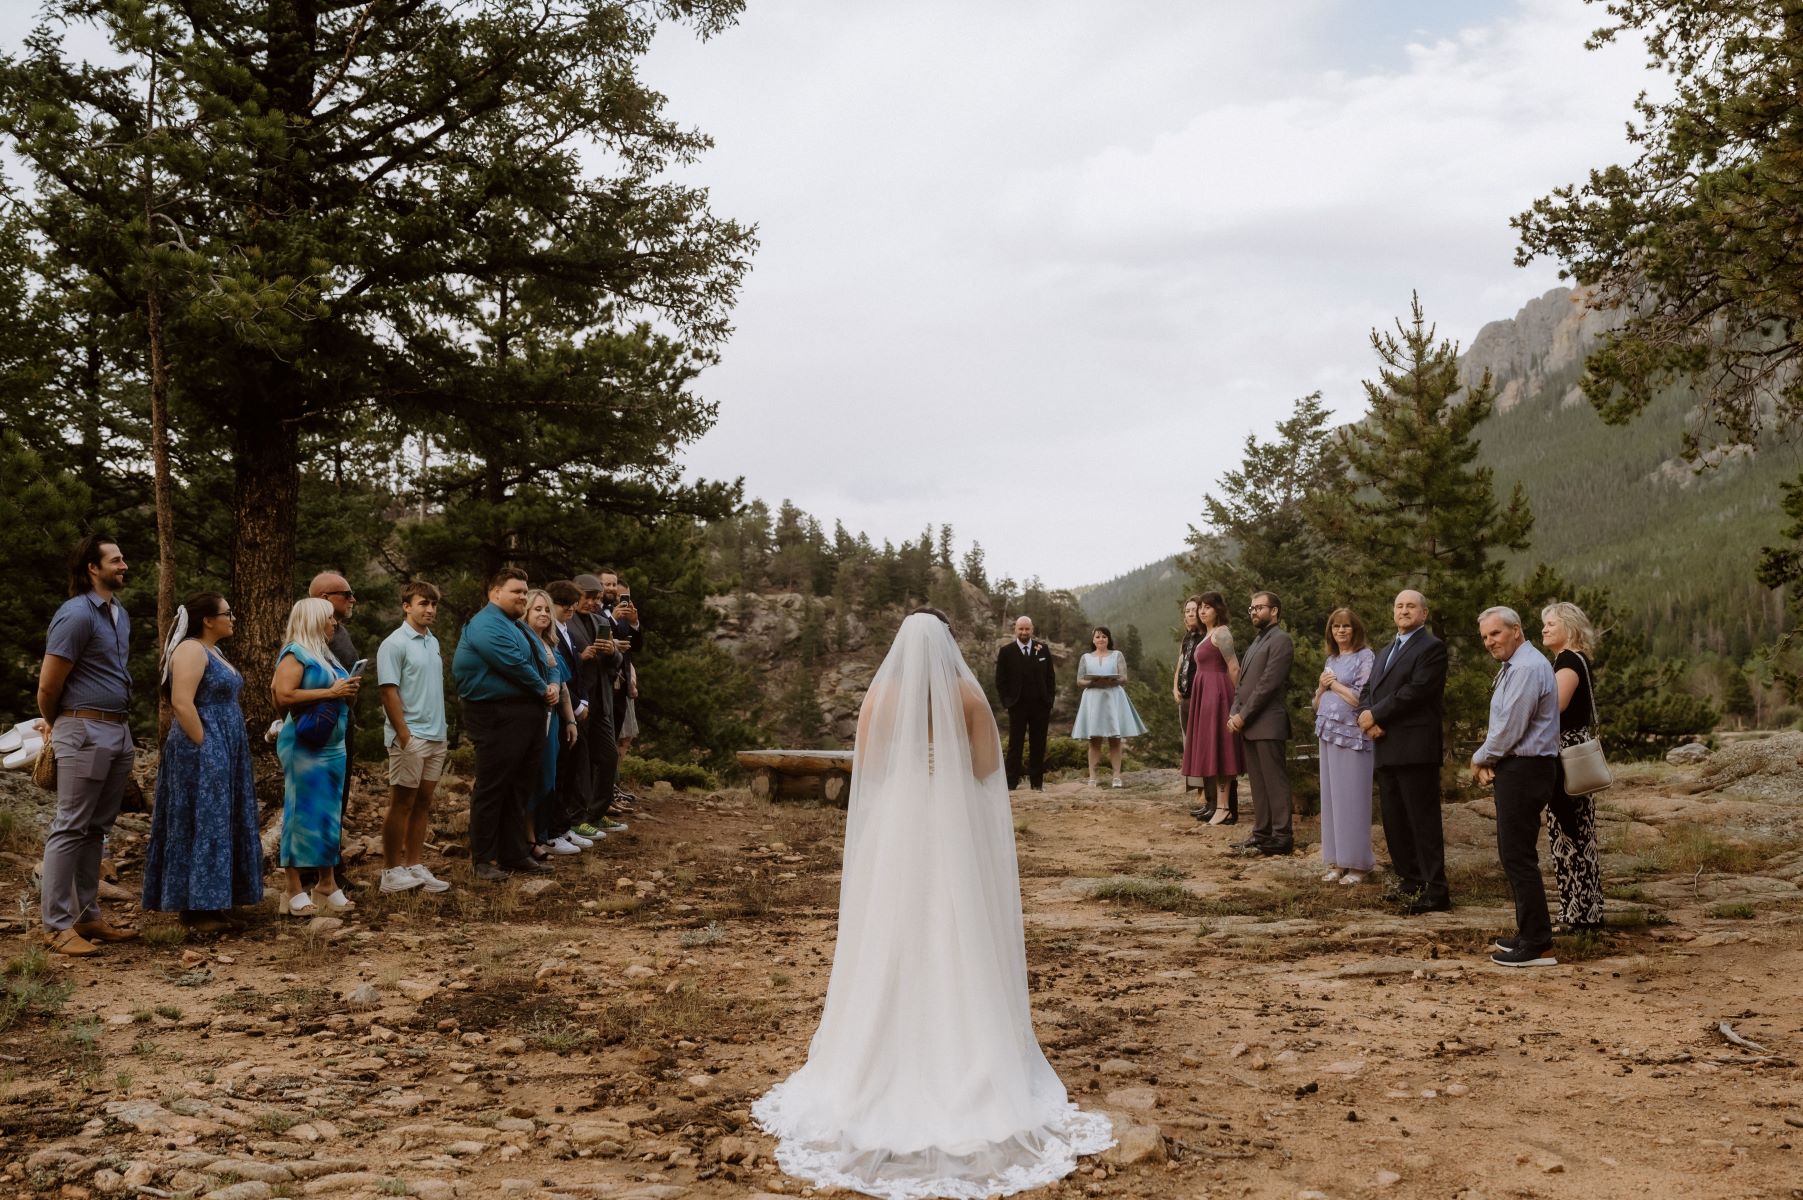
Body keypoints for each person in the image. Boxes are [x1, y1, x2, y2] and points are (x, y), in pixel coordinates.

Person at [752, 610, 1112, 1196]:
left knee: (891, 925)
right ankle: (967, 1043)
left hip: (897, 823)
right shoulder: (967, 696)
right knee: (955, 921)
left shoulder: (879, 697)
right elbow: (989, 769)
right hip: (949, 823)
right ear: (947, 646)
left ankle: (882, 1042)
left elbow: (867, 770)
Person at [34, 534, 140, 955]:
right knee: (71, 825)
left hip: (118, 730)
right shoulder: (76, 615)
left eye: (123, 558)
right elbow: (48, 685)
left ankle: (87, 917)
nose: (124, 565)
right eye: (115, 560)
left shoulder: (119, 614)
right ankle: (56, 926)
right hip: (82, 729)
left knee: (96, 828)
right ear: (92, 568)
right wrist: (56, 724)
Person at [143, 592, 263, 932]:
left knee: (220, 819)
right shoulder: (191, 649)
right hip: (201, 746)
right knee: (201, 820)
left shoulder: (213, 650)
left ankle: (214, 903)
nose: (233, 618)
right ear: (208, 620)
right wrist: (207, 745)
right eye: (227, 613)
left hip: (224, 743)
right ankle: (195, 910)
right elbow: (181, 703)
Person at [1472, 605, 1562, 968]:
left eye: (1495, 634)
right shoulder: (1519, 665)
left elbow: (1511, 727)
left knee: (1518, 856)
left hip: (1526, 769)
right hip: (1520, 766)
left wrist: (1482, 758)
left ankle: (1538, 944)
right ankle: (1528, 934)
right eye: (1484, 637)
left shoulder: (1526, 667)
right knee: (1515, 854)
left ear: (1516, 631)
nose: (1489, 642)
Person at [452, 567, 554, 882]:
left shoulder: (515, 625)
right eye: (516, 592)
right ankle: (483, 859)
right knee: (493, 786)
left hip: (524, 715)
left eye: (525, 592)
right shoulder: (486, 624)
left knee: (519, 786)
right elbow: (514, 664)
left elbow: (544, 659)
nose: (523, 597)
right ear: (495, 592)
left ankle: (514, 853)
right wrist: (542, 689)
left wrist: (548, 685)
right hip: (495, 714)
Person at [1357, 590, 1451, 914]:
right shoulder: (1384, 651)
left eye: (1411, 606)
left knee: (1422, 822)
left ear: (1424, 613)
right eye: (1399, 605)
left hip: (1415, 748)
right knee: (1395, 822)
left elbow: (1417, 691)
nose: (1404, 610)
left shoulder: (1432, 648)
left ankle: (1436, 891)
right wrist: (1367, 718)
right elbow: (1368, 690)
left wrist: (1377, 715)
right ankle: (1410, 883)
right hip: (1385, 745)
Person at [273, 597, 359, 916]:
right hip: (305, 745)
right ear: (312, 620)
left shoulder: (324, 653)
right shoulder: (295, 653)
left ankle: (327, 884)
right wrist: (331, 693)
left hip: (333, 744)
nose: (334, 623)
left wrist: (347, 691)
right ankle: (292, 889)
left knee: (329, 814)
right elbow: (282, 694)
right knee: (300, 813)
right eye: (328, 618)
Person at [375, 581, 452, 895]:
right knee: (401, 803)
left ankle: (415, 865)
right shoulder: (394, 644)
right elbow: (387, 691)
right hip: (411, 736)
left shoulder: (431, 641)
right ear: (407, 606)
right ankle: (391, 870)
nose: (430, 610)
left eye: (433, 604)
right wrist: (403, 735)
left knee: (423, 803)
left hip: (436, 735)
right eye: (423, 603)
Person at [1541, 601, 1606, 934]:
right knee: (1577, 831)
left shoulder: (1567, 661)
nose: (1544, 628)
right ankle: (1584, 911)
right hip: (1573, 750)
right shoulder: (1575, 659)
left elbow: (1555, 706)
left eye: (1551, 623)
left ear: (1569, 625)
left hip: (1566, 752)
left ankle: (1579, 913)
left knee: (1568, 832)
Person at [1313, 607, 1376, 885]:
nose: (1341, 631)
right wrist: (1320, 687)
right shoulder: (1332, 659)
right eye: (1336, 627)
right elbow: (1317, 703)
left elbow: (1361, 698)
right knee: (1331, 800)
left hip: (1353, 737)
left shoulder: (1366, 656)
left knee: (1352, 798)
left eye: (1346, 626)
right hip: (1327, 733)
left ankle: (1359, 865)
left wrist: (1333, 684)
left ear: (1355, 629)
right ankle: (1337, 861)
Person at [1229, 591, 1294, 857]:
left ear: (1275, 611)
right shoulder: (1257, 641)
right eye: (1251, 608)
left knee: (1274, 782)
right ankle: (1262, 833)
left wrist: (1243, 715)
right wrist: (1233, 712)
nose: (1254, 612)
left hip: (1268, 722)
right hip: (1248, 724)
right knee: (1257, 782)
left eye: (1259, 607)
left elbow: (1268, 685)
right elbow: (1242, 685)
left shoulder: (1281, 640)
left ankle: (1282, 836)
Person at [309, 571, 361, 887]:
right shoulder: (311, 635)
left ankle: (331, 869)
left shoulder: (339, 630)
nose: (353, 599)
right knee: (320, 799)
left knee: (338, 799)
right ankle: (311, 872)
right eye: (347, 593)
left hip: (343, 724)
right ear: (326, 600)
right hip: (319, 728)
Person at [524, 587, 580, 858]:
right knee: (533, 780)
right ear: (526, 612)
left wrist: (570, 720)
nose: (544, 613)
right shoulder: (522, 642)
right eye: (537, 609)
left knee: (548, 779)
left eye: (546, 609)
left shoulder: (551, 644)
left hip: (554, 721)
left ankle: (542, 834)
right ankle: (529, 839)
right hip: (533, 721)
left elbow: (564, 687)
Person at [569, 574, 624, 838]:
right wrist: (583, 657)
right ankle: (578, 817)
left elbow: (617, 663)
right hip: (579, 702)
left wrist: (612, 651)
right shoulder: (565, 623)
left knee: (609, 757)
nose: (592, 603)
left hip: (602, 701)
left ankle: (597, 814)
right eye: (588, 597)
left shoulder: (602, 621)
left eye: (597, 598)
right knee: (581, 763)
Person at [1182, 592, 1242, 824]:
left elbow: (1234, 667)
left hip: (1218, 694)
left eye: (1208, 607)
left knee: (1222, 749)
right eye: (1201, 608)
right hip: (1204, 695)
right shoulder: (1206, 634)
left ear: (1218, 609)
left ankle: (1225, 808)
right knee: (1213, 750)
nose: (1202, 611)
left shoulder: (1222, 632)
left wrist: (1237, 701)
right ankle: (1219, 805)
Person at [547, 581, 598, 848]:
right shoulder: (551, 632)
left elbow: (578, 672)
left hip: (577, 704)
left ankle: (563, 825)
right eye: (563, 603)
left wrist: (584, 701)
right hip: (563, 710)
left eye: (571, 603)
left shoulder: (567, 630)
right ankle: (554, 830)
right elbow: (561, 675)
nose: (569, 608)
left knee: (569, 770)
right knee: (559, 772)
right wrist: (576, 706)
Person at [1072, 626, 1146, 787]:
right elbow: (1079, 681)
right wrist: (1092, 682)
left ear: (1108, 639)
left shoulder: (1117, 655)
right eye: (1098, 637)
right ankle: (1092, 776)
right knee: (1094, 740)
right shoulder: (1085, 657)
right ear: (1093, 640)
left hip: (1113, 697)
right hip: (1093, 698)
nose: (1101, 639)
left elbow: (1124, 678)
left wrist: (1113, 680)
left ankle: (1116, 776)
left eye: (1104, 637)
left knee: (1115, 739)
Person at [994, 615, 1056, 791]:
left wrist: (1049, 701)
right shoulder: (1006, 651)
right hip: (1017, 705)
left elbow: (1051, 677)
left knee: (1038, 744)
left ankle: (1036, 784)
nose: (1024, 632)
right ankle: (1011, 783)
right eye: (1021, 629)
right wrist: (1007, 702)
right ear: (1015, 630)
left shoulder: (1042, 649)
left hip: (1040, 706)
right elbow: (1001, 680)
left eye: (1027, 629)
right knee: (1015, 744)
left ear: (1032, 629)